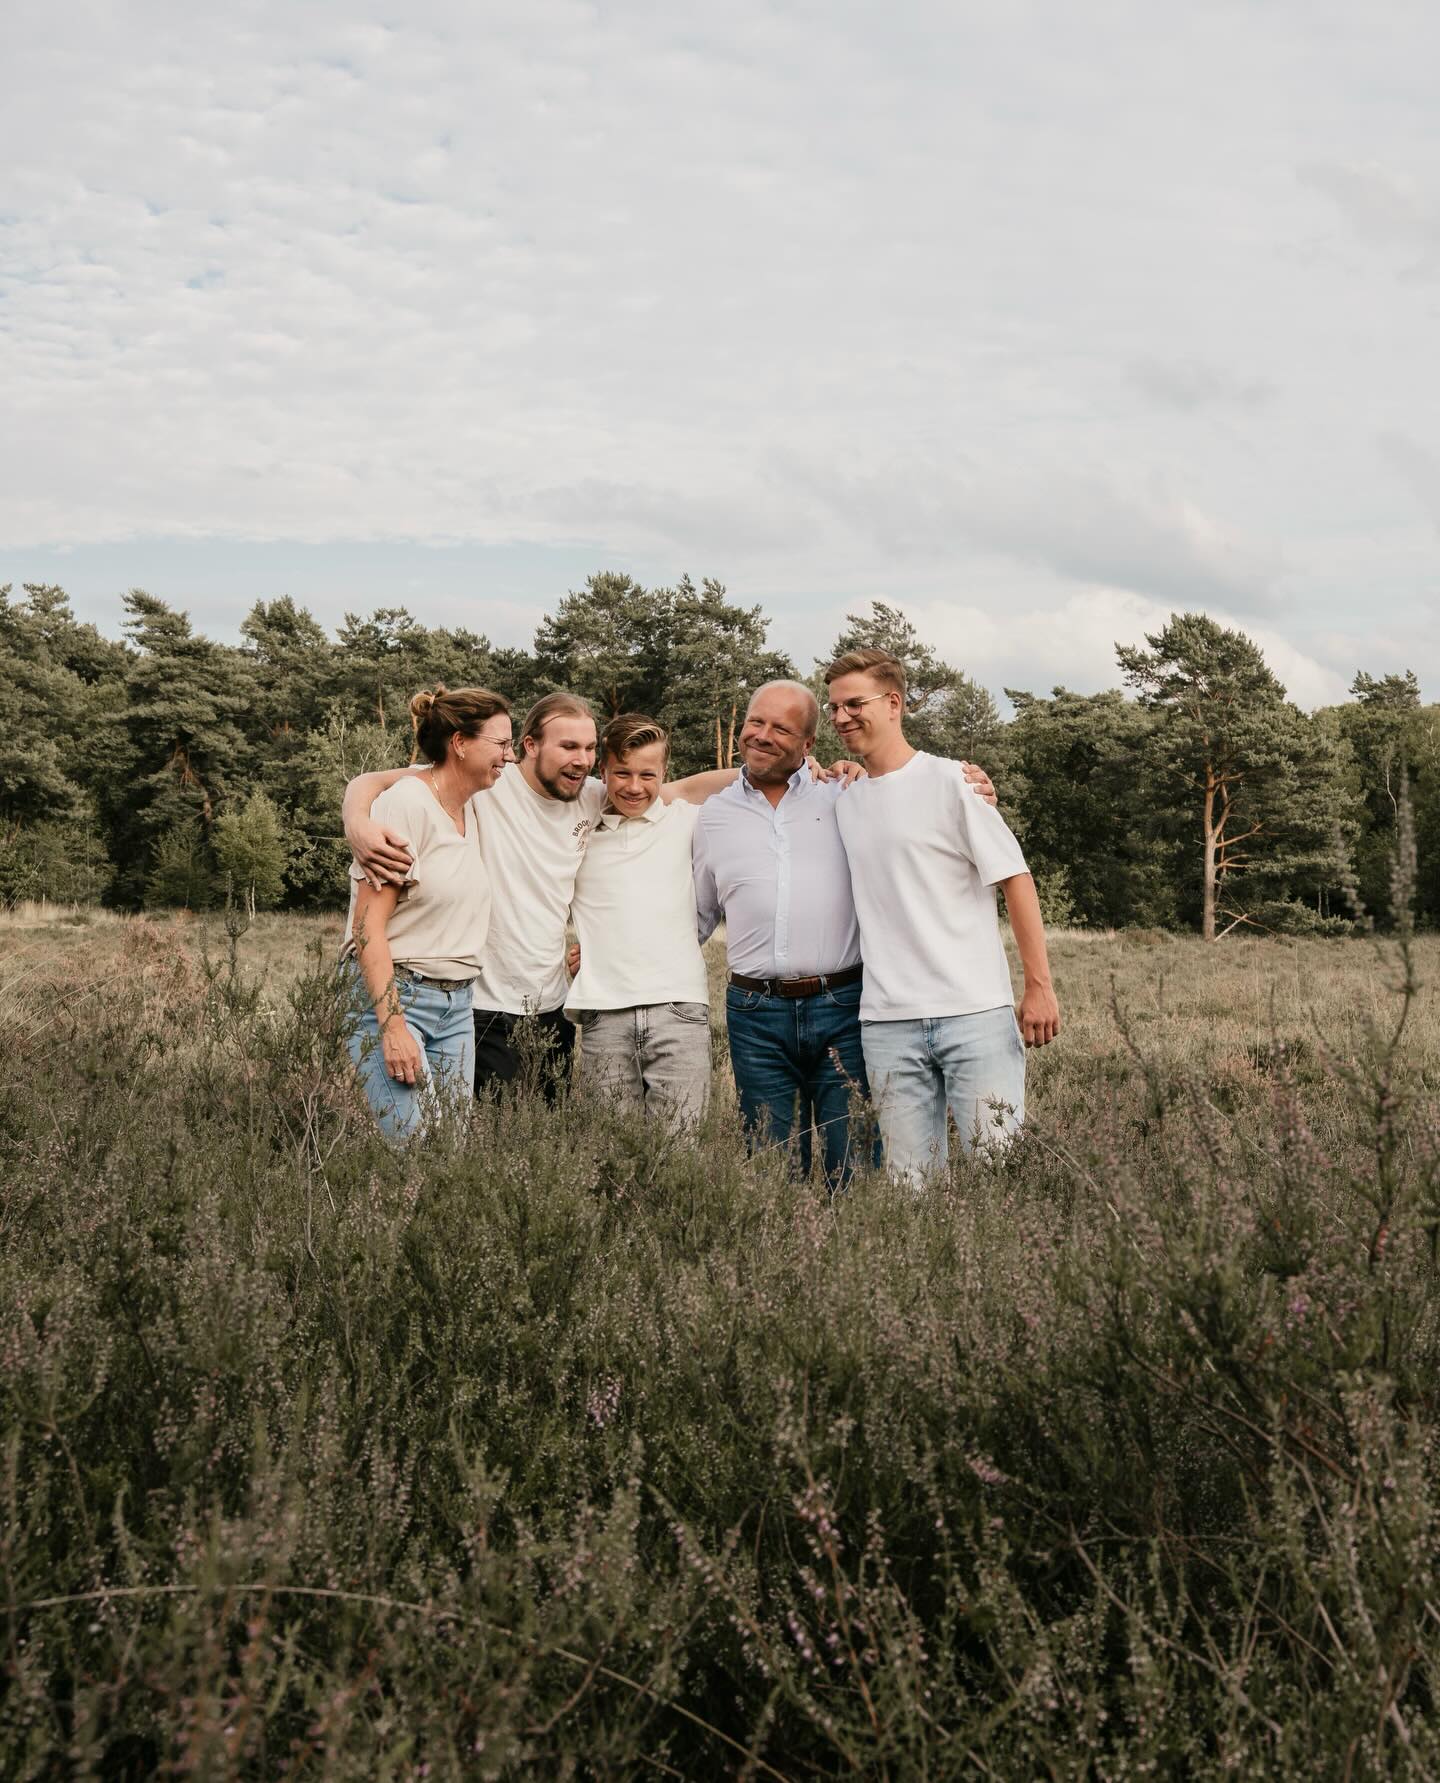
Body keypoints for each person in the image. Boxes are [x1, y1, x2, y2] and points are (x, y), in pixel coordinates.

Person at [344, 692, 735, 1099]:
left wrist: (788, 768)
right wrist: (356, 822)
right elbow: (372, 782)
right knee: (489, 1135)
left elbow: (687, 789)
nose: (581, 759)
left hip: (553, 1006)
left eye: (588, 748)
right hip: (485, 1004)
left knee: (542, 1136)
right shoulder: (489, 781)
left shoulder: (593, 795)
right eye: (568, 746)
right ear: (529, 746)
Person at [694, 679, 998, 1184]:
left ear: (808, 744)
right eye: (755, 722)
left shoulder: (846, 794)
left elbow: (908, 795)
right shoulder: (712, 815)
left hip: (843, 1007)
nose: (762, 735)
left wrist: (977, 789)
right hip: (754, 1015)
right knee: (771, 1170)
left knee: (855, 1166)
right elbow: (695, 918)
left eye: (781, 728)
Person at [823, 647, 1060, 1183]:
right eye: (833, 707)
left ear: (893, 703)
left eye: (853, 704)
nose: (840, 718)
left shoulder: (954, 781)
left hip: (974, 1012)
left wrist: (1039, 986)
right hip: (886, 1022)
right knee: (911, 1187)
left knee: (998, 1174)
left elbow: (1016, 880)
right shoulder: (843, 795)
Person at [342, 685, 512, 1142]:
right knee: (414, 1148)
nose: (509, 756)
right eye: (501, 744)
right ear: (460, 743)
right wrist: (393, 1025)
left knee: (451, 1154)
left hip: (458, 1006)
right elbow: (367, 927)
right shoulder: (406, 804)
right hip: (400, 997)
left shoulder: (474, 804)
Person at [564, 713, 713, 1127]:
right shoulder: (581, 833)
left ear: (664, 773)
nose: (634, 786)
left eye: (648, 775)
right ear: (602, 771)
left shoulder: (685, 819)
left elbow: (748, 777)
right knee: (611, 1151)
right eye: (622, 773)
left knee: (679, 1153)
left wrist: (804, 766)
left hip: (679, 1009)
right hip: (603, 1011)